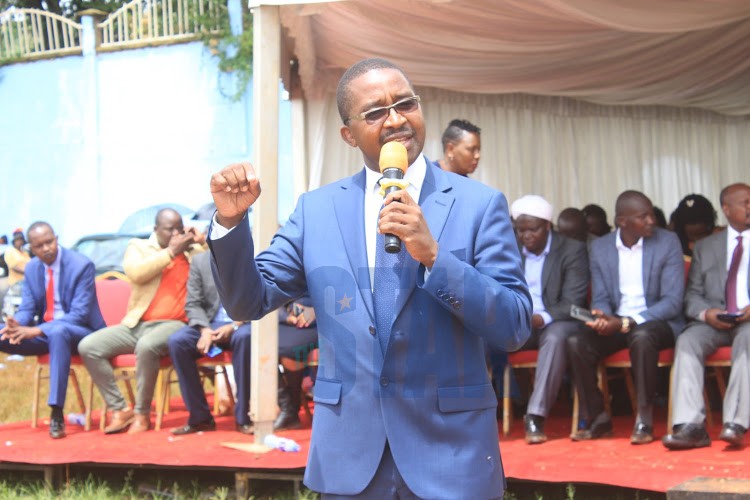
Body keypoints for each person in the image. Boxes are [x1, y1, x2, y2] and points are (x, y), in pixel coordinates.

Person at [208, 58, 532, 499]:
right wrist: (230, 223)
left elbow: (513, 324)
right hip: (349, 458)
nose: (396, 119)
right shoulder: (316, 210)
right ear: (347, 133)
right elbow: (249, 301)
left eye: (405, 104)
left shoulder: (479, 205)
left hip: (451, 457)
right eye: (376, 111)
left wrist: (435, 258)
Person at [567, 191, 684, 444]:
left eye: (651, 214)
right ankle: (598, 417)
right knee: (577, 342)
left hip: (657, 322)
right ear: (622, 221)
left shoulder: (668, 242)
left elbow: (672, 302)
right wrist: (601, 316)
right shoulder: (600, 247)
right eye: (644, 217)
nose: (652, 220)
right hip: (617, 321)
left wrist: (628, 322)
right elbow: (599, 296)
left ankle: (644, 418)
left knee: (641, 337)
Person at [79, 208, 202, 434]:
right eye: (169, 229)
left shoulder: (191, 251)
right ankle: (120, 408)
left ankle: (142, 414)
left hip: (175, 324)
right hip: (138, 324)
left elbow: (215, 266)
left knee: (146, 347)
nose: (175, 234)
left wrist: (202, 241)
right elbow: (136, 273)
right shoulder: (139, 247)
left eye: (179, 228)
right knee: (89, 346)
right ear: (156, 230)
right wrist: (170, 253)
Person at [663, 183, 750, 450]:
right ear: (726, 209)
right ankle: (690, 427)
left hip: (749, 322)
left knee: (748, 339)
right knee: (687, 341)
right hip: (715, 320)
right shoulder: (705, 247)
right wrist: (706, 313)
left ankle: (735, 423)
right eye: (745, 202)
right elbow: (692, 296)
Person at [0, 222, 105, 439]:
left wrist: (37, 331)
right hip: (45, 334)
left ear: (56, 238)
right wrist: (16, 324)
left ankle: (56, 413)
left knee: (58, 333)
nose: (46, 248)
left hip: (82, 334)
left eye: (50, 242)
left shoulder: (81, 265)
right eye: (39, 246)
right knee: (2, 331)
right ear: (32, 248)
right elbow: (28, 309)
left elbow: (79, 314)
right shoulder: (32, 268)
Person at [510, 195, 589, 444]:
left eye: (532, 229)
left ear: (547, 226)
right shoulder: (509, 249)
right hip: (517, 322)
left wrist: (540, 318)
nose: (526, 236)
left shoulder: (571, 250)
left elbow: (573, 301)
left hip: (556, 321)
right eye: (521, 230)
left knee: (554, 338)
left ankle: (535, 415)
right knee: (475, 334)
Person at [167, 251, 253, 435]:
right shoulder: (200, 261)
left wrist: (234, 325)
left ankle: (243, 418)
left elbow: (256, 297)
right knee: (177, 342)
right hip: (209, 325)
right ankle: (200, 419)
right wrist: (204, 330)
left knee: (245, 338)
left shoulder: (249, 256)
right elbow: (193, 303)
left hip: (241, 323)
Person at [274, 297, 318, 431]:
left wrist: (317, 311)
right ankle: (287, 407)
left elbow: (349, 296)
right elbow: (274, 295)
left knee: (288, 349)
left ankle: (290, 411)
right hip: (290, 321)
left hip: (322, 322)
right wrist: (286, 317)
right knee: (258, 346)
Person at [670, 194, 718, 258]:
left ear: (709, 226)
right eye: (691, 237)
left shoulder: (720, 242)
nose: (696, 243)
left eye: (700, 235)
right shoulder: (673, 248)